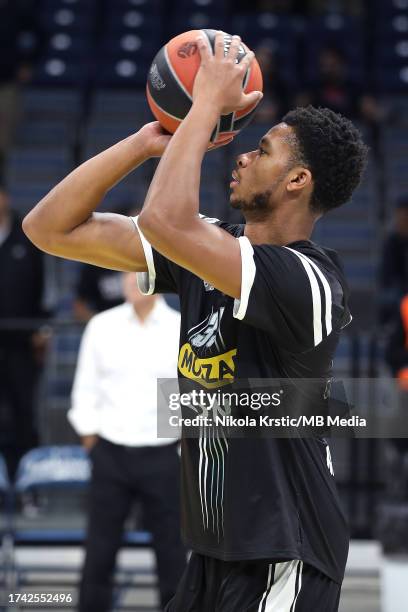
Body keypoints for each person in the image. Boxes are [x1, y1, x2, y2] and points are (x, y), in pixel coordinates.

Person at [23, 33, 368, 611]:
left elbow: (163, 219)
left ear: (298, 181)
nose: (243, 153)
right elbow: (48, 228)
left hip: (285, 554)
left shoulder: (309, 281)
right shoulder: (208, 252)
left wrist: (204, 103)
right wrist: (141, 143)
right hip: (214, 552)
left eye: (263, 151)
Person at [68, 273, 185, 611]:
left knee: (172, 553)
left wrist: (180, 447)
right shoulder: (101, 326)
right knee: (99, 552)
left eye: (140, 275)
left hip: (164, 454)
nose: (131, 282)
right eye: (126, 276)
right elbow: (85, 388)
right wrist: (92, 441)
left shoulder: (180, 328)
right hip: (110, 453)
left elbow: (189, 392)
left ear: (159, 280)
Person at [0, 186, 48, 477]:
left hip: (22, 342)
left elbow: (44, 289)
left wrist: (41, 329)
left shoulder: (26, 234)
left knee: (24, 413)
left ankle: (30, 484)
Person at [379, 196, 408, 325]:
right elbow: (387, 273)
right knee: (390, 297)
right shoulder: (392, 242)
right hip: (397, 289)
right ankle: (390, 331)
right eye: (400, 217)